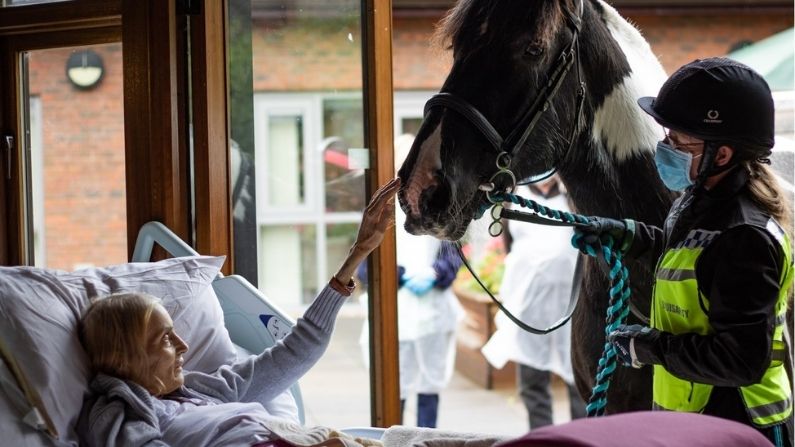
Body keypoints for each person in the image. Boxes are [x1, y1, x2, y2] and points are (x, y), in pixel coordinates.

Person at [77, 178, 401, 447]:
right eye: (164, 338)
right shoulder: (118, 414)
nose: (183, 345)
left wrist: (359, 252)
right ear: (123, 357)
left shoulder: (201, 389)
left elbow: (297, 352)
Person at [573, 57, 793, 446]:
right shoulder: (698, 201)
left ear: (721, 155)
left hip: (739, 428)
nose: (665, 148)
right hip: (700, 423)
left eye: (677, 141)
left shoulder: (745, 238)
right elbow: (690, 258)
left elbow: (740, 360)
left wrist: (648, 347)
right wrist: (625, 235)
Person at [358, 134, 463, 428]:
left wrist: (435, 274)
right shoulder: (380, 210)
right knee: (395, 386)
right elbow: (366, 266)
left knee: (430, 385)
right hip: (395, 313)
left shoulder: (442, 206)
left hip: (433, 313)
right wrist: (400, 276)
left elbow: (453, 256)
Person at [481, 176, 586, 430]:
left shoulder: (572, 196)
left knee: (578, 376)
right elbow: (509, 244)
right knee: (531, 378)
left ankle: (581, 435)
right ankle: (542, 437)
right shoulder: (514, 197)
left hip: (570, 304)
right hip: (527, 304)